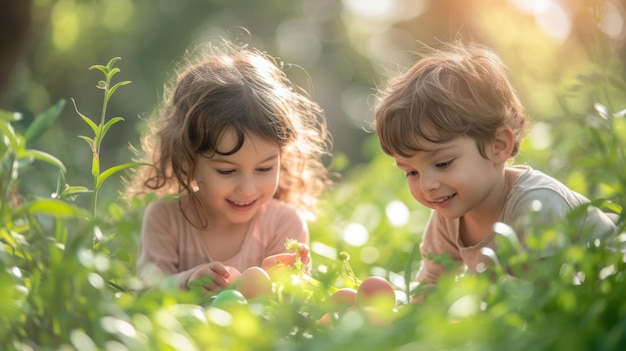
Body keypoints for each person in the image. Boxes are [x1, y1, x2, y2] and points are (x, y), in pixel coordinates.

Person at [373, 41, 618, 294]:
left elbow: (540, 300)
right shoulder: (449, 216)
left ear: (498, 146)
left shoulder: (537, 204)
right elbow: (433, 283)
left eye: (442, 163)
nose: (427, 185)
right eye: (411, 172)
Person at [125, 37, 332, 298]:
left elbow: (291, 306)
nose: (247, 188)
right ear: (188, 160)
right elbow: (146, 291)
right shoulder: (165, 219)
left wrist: (280, 283)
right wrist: (185, 281)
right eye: (227, 171)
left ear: (282, 157)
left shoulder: (284, 223)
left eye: (264, 169)